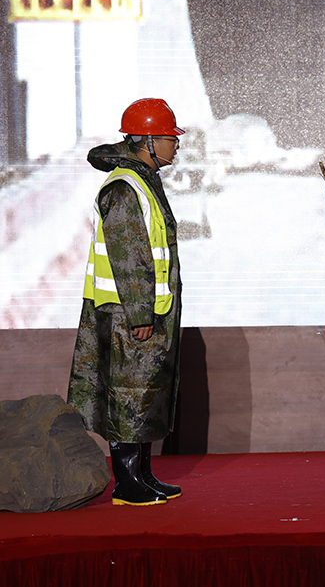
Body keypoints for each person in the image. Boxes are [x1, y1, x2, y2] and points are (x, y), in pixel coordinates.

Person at [68, 98, 185, 506]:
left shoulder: (142, 180)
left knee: (143, 393)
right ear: (147, 141)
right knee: (127, 395)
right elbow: (129, 256)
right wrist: (139, 314)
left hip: (145, 311)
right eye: (169, 138)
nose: (176, 145)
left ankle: (143, 476)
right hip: (127, 314)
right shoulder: (124, 187)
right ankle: (127, 483)